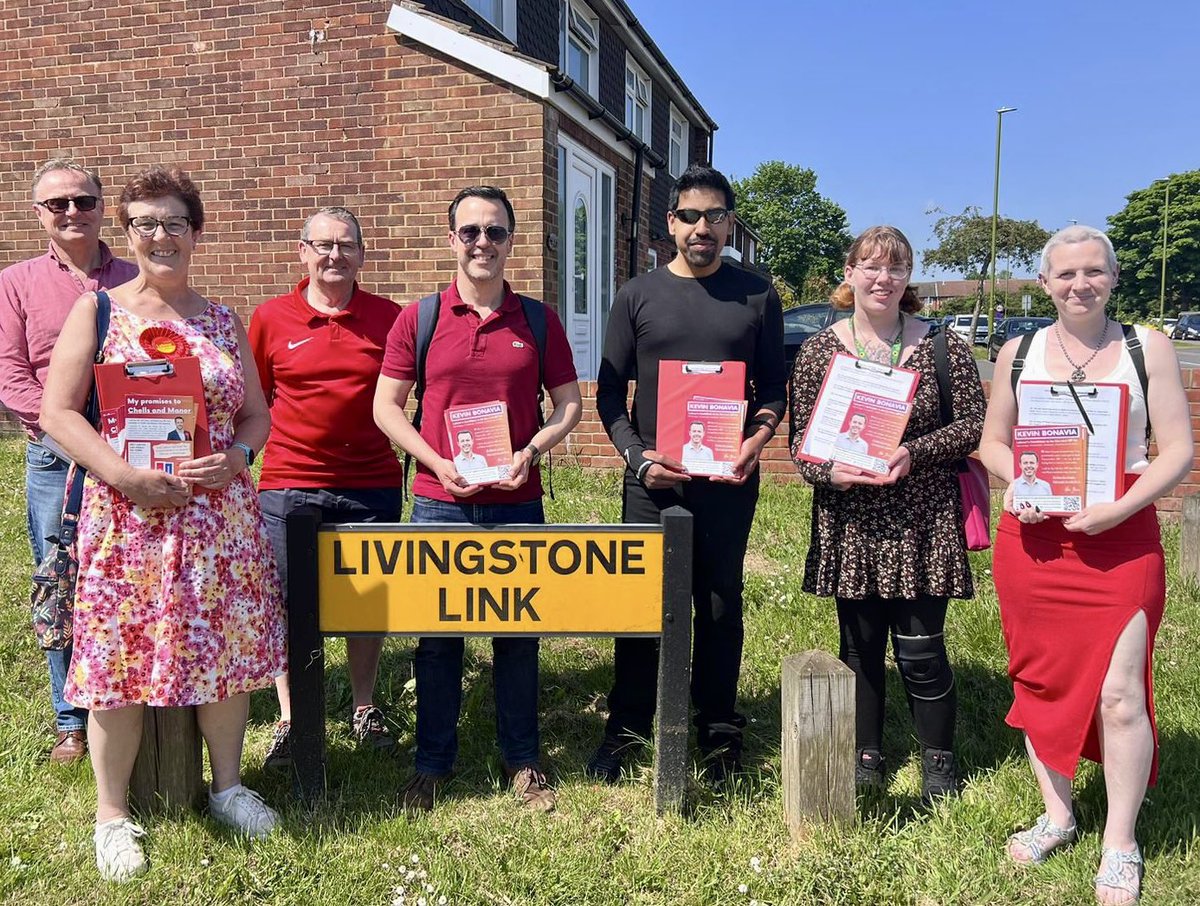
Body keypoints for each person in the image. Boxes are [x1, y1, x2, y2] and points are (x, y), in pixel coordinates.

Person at [39, 166, 286, 882]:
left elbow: (256, 414)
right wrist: (121, 475)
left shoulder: (221, 320)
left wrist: (238, 456)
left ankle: (229, 787)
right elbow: (58, 411)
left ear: (196, 233)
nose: (160, 235)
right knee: (118, 663)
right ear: (128, 234)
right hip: (127, 521)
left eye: (174, 221)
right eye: (145, 222)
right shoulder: (100, 312)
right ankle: (112, 813)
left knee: (226, 655)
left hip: (219, 521)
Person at [979, 226, 1192, 906]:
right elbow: (992, 444)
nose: (1080, 284)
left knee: (1121, 693)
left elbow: (1178, 451)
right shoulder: (1019, 351)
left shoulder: (1146, 347)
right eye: (1066, 273)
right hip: (1034, 541)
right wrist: (1021, 481)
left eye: (1093, 271)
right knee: (1039, 682)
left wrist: (1121, 506)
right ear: (1044, 282)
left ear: (1114, 276)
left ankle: (1120, 842)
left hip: (1118, 539)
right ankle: (1059, 814)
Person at [374, 185, 581, 813]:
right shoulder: (420, 318)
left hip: (517, 498)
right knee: (438, 639)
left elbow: (568, 404)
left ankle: (523, 759)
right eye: (470, 232)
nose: (482, 243)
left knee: (518, 633)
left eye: (494, 232)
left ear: (511, 241)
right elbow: (386, 406)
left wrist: (532, 452)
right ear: (452, 240)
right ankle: (432, 763)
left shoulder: (538, 321)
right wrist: (435, 461)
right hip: (440, 500)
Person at [588, 164, 786, 784]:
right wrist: (638, 456)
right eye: (691, 216)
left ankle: (718, 724)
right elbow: (610, 392)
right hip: (652, 481)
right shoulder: (637, 294)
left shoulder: (757, 295)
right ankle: (627, 721)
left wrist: (756, 441)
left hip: (727, 480)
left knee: (720, 600)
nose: (703, 227)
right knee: (642, 602)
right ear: (671, 222)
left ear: (730, 223)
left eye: (716, 216)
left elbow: (774, 390)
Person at [789, 225, 984, 803]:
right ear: (849, 275)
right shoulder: (820, 350)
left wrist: (912, 452)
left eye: (896, 267)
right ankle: (865, 753)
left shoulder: (944, 346)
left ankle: (938, 762)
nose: (883, 277)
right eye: (871, 266)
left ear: (909, 279)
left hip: (921, 517)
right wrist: (830, 472)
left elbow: (973, 425)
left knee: (922, 648)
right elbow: (803, 441)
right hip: (851, 519)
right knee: (859, 649)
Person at [248, 206, 405, 770]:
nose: (334, 255)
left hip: (371, 483)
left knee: (368, 605)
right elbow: (254, 405)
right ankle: (294, 718)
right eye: (322, 244)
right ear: (302, 251)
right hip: (290, 483)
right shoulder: (270, 319)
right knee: (292, 606)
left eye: (346, 245)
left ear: (362, 254)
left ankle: (364, 707)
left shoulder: (391, 319)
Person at [0, 159, 138, 765]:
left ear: (102, 205)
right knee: (61, 580)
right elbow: (10, 374)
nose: (72, 212)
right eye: (57, 204)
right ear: (39, 215)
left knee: (128, 574)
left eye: (83, 200)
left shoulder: (137, 274)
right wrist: (72, 433)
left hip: (133, 451)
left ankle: (134, 692)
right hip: (57, 460)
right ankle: (71, 719)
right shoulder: (17, 282)